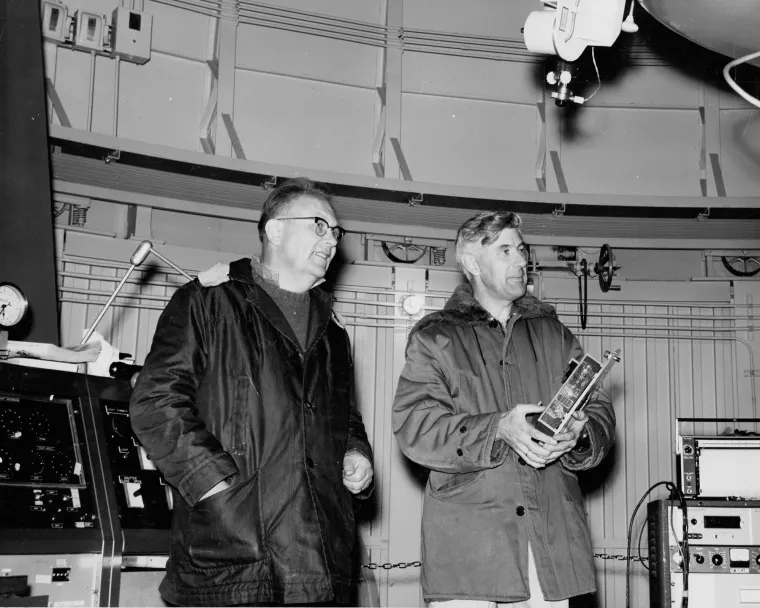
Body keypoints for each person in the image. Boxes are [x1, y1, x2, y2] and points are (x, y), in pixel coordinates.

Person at [130, 177, 374, 607]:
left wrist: (355, 453)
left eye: (336, 232)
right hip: (233, 562)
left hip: (320, 569)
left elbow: (346, 419)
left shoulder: (335, 334)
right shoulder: (208, 302)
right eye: (319, 225)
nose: (332, 241)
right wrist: (211, 486)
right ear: (275, 230)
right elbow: (156, 402)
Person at [392, 210, 616, 608]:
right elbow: (416, 427)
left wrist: (579, 434)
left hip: (550, 543)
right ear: (471, 263)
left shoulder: (554, 333)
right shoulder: (434, 337)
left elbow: (596, 407)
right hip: (470, 552)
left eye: (522, 249)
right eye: (505, 250)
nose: (521, 260)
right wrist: (498, 428)